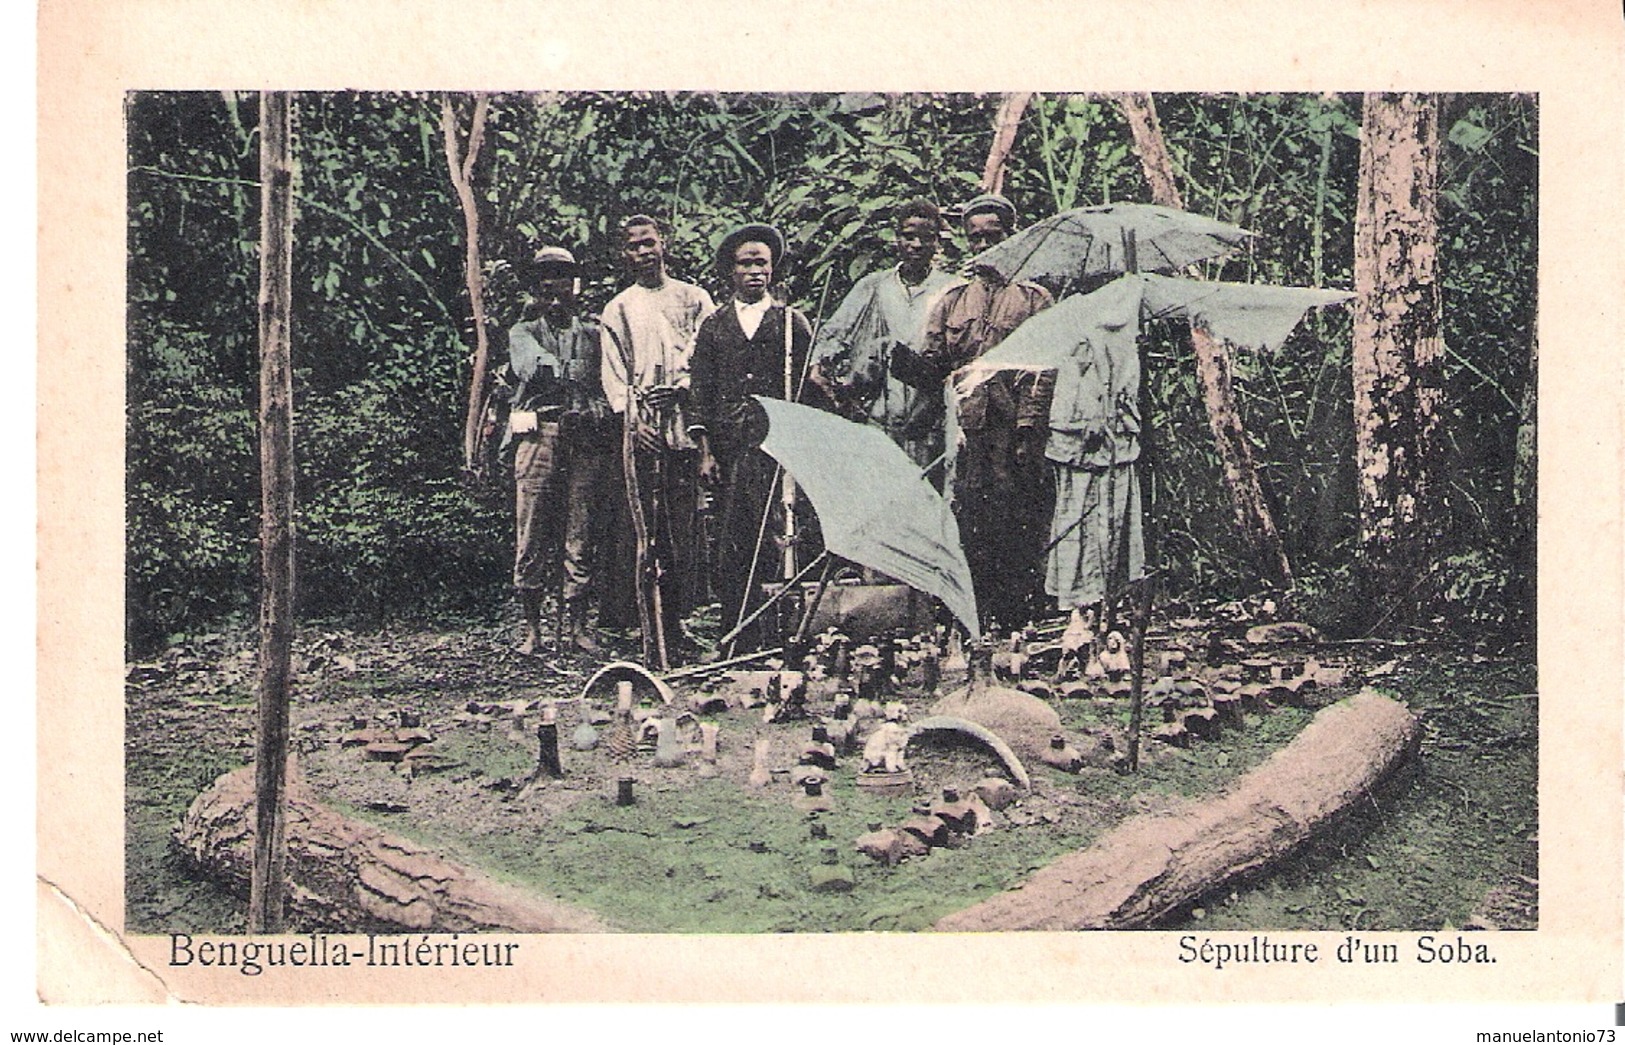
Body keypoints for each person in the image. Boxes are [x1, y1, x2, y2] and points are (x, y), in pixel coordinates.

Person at [894, 193, 1056, 632]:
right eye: (975, 238)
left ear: (1011, 236)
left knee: (1018, 515)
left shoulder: (1033, 298)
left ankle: (1018, 614)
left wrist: (1028, 426)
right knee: (970, 516)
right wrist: (901, 363)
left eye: (994, 236)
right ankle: (973, 612)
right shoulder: (952, 301)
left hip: (1015, 426)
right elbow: (933, 363)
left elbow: (1045, 366)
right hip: (967, 428)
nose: (984, 245)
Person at [494, 246, 629, 655]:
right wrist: (567, 375)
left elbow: (612, 386)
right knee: (532, 531)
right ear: (535, 287)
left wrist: (597, 411)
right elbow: (531, 368)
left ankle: (578, 628)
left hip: (585, 438)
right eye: (545, 278)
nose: (554, 287)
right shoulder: (523, 332)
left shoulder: (594, 334)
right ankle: (532, 629)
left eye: (563, 277)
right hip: (540, 435)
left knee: (580, 533)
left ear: (576, 285)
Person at [688, 223, 814, 651]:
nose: (755, 271)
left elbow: (806, 392)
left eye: (762, 262)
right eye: (746, 263)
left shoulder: (791, 323)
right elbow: (700, 391)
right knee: (731, 541)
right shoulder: (715, 326)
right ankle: (736, 635)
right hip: (728, 452)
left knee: (782, 536)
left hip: (776, 450)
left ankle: (783, 636)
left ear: (773, 269)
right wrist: (705, 451)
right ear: (731, 271)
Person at [599, 215, 715, 663]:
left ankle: (678, 623)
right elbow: (614, 374)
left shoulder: (693, 298)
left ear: (663, 243)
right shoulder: (619, 308)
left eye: (650, 243)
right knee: (640, 527)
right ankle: (641, 626)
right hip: (642, 425)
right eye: (634, 247)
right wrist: (634, 422)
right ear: (625, 255)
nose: (644, 252)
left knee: (681, 525)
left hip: (684, 423)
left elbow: (706, 356)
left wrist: (684, 387)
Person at [806, 199, 962, 470]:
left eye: (926, 238)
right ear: (896, 238)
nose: (916, 245)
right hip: (877, 410)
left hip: (928, 416)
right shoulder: (874, 286)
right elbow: (835, 332)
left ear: (937, 242)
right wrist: (821, 365)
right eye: (908, 236)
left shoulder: (951, 289)